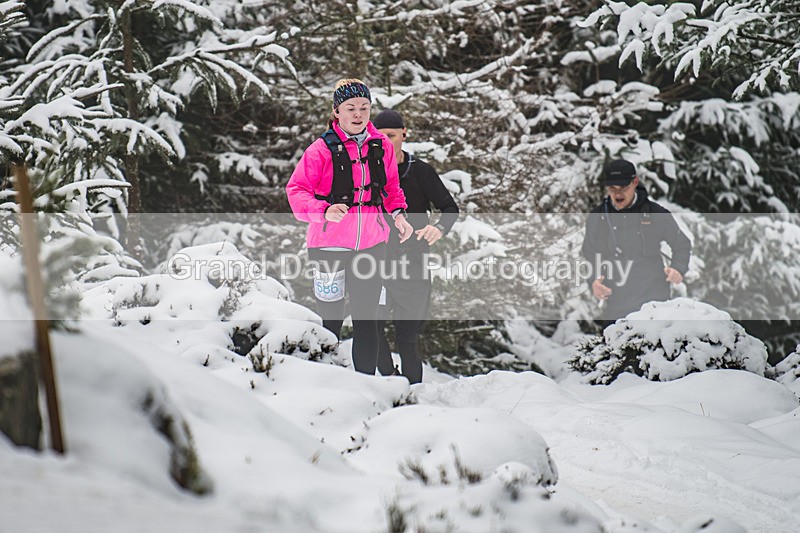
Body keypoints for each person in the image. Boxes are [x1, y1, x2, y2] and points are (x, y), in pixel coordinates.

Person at [286, 79, 414, 375]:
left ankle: (365, 386)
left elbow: (392, 187)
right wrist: (324, 210)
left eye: (364, 108)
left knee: (367, 319)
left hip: (372, 242)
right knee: (330, 319)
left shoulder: (381, 146)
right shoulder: (320, 150)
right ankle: (324, 383)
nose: (358, 114)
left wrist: (399, 216)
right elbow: (296, 191)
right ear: (337, 112)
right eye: (351, 108)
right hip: (328, 245)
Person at [372, 109, 459, 383]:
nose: (386, 142)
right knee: (372, 330)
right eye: (380, 137)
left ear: (404, 134)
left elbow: (449, 208)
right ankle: (390, 383)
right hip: (374, 262)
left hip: (413, 263)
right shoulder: (366, 173)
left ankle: (412, 394)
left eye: (392, 136)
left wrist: (438, 227)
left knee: (407, 337)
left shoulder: (420, 171)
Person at [581, 159, 691, 327]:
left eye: (623, 188)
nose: (618, 194)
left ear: (635, 182)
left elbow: (682, 244)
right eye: (612, 189)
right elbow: (590, 254)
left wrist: (677, 268)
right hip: (616, 305)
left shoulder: (654, 213)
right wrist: (594, 281)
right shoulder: (598, 218)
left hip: (654, 304)